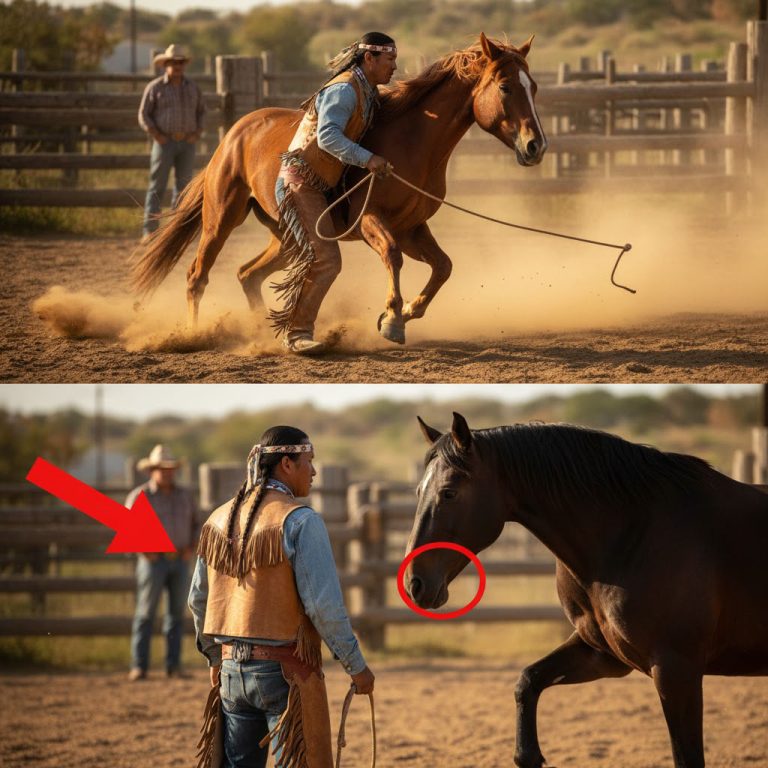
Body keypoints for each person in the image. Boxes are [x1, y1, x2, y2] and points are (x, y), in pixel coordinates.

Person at [188, 426, 374, 768]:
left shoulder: (217, 520)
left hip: (230, 669)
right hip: (285, 671)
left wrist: (215, 657)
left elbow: (198, 599)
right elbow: (323, 606)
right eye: (309, 461)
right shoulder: (300, 520)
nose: (314, 471)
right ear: (287, 464)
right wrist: (356, 666)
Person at [273, 32, 398, 356]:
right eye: (390, 59)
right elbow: (328, 137)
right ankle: (297, 333)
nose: (394, 67)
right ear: (369, 58)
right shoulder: (344, 90)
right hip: (300, 183)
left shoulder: (366, 90)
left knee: (324, 259)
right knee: (325, 260)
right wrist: (368, 159)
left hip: (322, 183)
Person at [127, 444, 198, 681]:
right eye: (162, 468)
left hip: (179, 559)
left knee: (176, 615)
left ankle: (173, 666)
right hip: (152, 561)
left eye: (170, 468)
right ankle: (139, 665)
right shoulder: (140, 496)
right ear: (152, 471)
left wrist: (191, 547)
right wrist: (144, 550)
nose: (167, 473)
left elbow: (197, 524)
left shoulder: (185, 495)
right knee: (145, 614)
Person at [138, 43, 206, 241]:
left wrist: (197, 133)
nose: (177, 66)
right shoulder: (155, 87)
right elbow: (144, 114)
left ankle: (174, 231)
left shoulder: (193, 88)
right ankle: (149, 230)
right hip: (164, 141)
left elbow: (202, 111)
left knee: (183, 188)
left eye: (180, 62)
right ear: (165, 64)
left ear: (184, 64)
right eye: (173, 62)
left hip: (187, 142)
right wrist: (156, 134)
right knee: (157, 186)